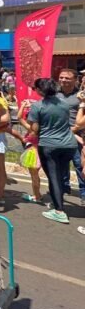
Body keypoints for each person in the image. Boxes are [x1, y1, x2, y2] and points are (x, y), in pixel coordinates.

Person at [27, 78, 78, 224]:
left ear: (39, 90)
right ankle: (58, 203)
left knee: (53, 178)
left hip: (49, 145)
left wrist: (30, 122)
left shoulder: (37, 106)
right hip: (69, 144)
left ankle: (59, 211)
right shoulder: (64, 104)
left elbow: (35, 130)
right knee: (61, 176)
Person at [56, 68, 85, 206]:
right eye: (61, 77)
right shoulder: (55, 94)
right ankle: (63, 189)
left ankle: (84, 194)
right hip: (59, 134)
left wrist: (74, 129)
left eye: (67, 78)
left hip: (78, 134)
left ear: (75, 79)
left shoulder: (81, 95)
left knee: (80, 165)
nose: (63, 80)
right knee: (61, 164)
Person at [18, 99, 43, 203]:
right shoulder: (43, 127)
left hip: (33, 153)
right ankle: (38, 194)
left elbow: (19, 117)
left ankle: (36, 196)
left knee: (34, 177)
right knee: (36, 175)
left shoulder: (31, 129)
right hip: (41, 151)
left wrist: (23, 105)